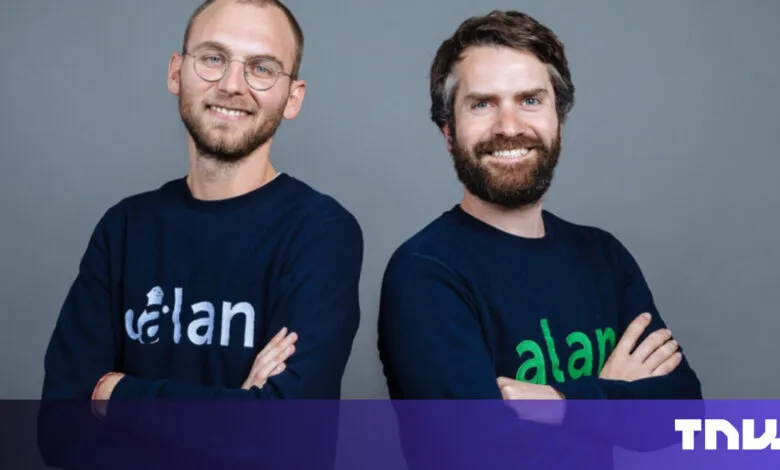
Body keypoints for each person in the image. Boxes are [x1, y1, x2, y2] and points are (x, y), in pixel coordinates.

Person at [38, 0, 362, 468]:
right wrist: (236, 412)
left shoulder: (320, 233)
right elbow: (59, 432)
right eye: (212, 58)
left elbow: (284, 439)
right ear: (176, 72)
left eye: (262, 68)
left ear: (293, 98)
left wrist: (118, 393)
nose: (232, 85)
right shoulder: (124, 228)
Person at [377, 10, 701, 466]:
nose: (509, 126)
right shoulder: (426, 272)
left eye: (530, 100)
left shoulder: (603, 257)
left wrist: (562, 405)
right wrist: (615, 395)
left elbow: (683, 412)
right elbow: (474, 455)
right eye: (482, 104)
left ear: (559, 121)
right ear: (449, 132)